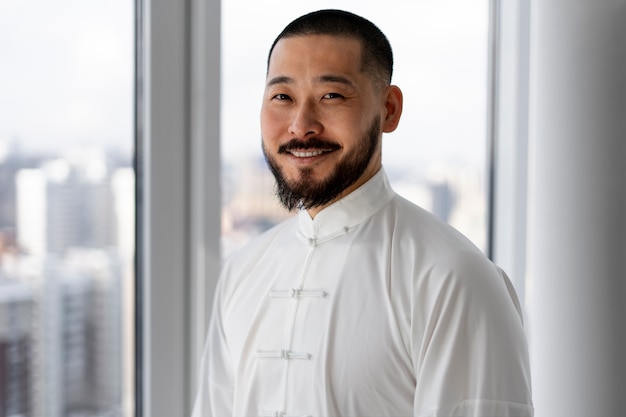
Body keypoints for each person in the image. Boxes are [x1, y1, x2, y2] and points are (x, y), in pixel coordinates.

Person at [192, 9, 533, 417]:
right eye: (282, 97)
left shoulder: (452, 277)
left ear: (389, 109)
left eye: (331, 96)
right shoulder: (241, 272)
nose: (301, 125)